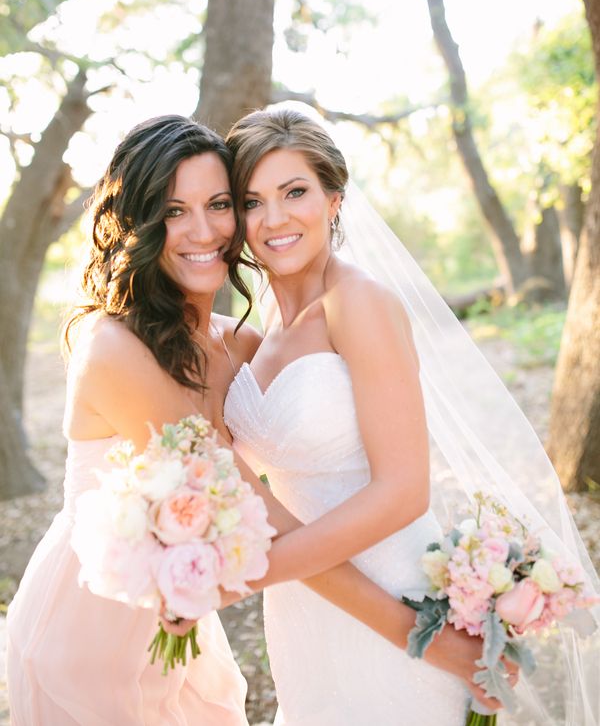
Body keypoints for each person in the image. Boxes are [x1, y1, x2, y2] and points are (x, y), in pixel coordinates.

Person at [6, 114, 498, 726]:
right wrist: (420, 634)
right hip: (93, 625)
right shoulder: (114, 350)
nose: (204, 229)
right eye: (174, 209)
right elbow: (254, 513)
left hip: (189, 624)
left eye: (218, 204)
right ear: (137, 222)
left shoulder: (237, 344)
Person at [223, 105, 600, 726]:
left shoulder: (359, 303)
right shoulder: (263, 320)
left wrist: (249, 573)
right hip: (306, 604)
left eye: (295, 192)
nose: (275, 218)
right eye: (252, 200)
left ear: (335, 199)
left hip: (386, 587)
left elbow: (402, 491)